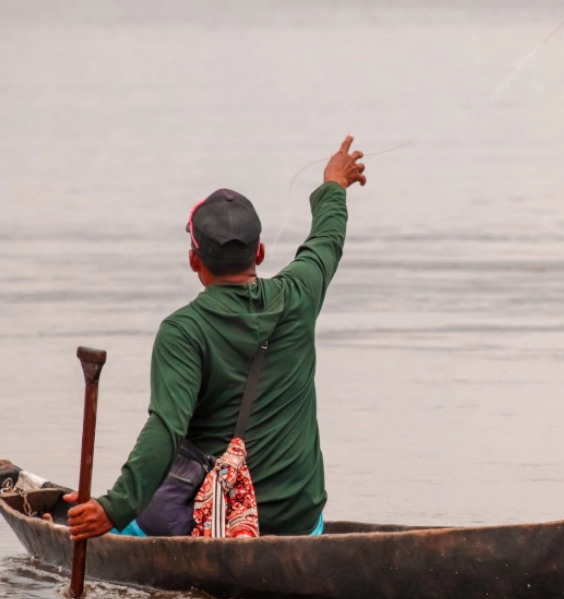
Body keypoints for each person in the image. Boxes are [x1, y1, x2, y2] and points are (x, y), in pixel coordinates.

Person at [64, 135, 368, 541]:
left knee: (125, 560)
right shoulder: (300, 292)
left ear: (194, 260)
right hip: (297, 521)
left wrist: (114, 507)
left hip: (217, 522)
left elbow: (166, 429)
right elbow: (326, 241)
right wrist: (335, 182)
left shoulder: (183, 331)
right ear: (259, 253)